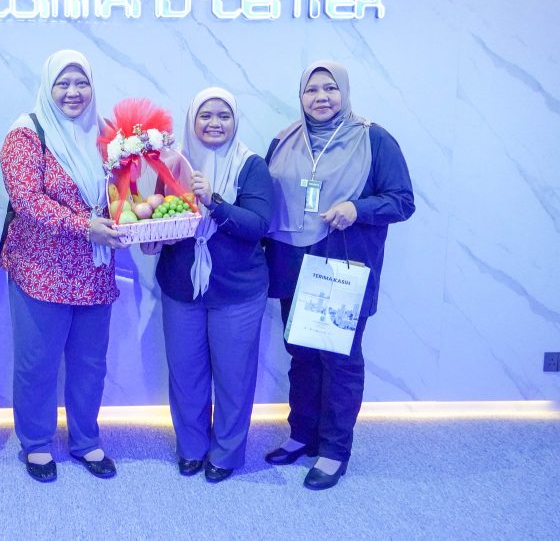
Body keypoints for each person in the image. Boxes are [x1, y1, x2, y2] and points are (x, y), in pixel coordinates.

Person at [264, 60, 414, 490]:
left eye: (330, 88)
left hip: (340, 266)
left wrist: (357, 208)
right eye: (311, 90)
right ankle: (302, 434)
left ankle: (333, 450)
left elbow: (402, 201)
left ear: (344, 92)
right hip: (293, 264)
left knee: (340, 361)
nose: (321, 97)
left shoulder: (373, 139)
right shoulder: (283, 140)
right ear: (300, 96)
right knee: (302, 354)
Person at [0, 49, 127, 483]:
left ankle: (86, 440)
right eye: (63, 83)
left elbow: (125, 192)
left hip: (94, 268)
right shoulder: (26, 134)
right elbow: (27, 200)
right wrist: (84, 226)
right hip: (41, 269)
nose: (73, 92)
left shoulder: (107, 134)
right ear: (48, 87)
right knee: (37, 363)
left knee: (90, 363)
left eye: (81, 83)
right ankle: (36, 443)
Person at [142, 87, 273, 482]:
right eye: (206, 115)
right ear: (192, 120)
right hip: (182, 287)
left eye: (223, 116)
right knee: (186, 375)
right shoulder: (174, 163)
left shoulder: (251, 165)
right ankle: (192, 448)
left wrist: (213, 201)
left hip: (237, 291)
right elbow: (164, 215)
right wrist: (152, 236)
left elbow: (258, 225)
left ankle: (226, 454)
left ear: (235, 121)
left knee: (234, 378)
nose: (215, 123)